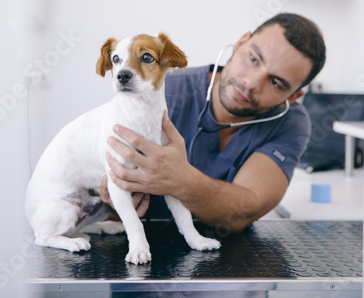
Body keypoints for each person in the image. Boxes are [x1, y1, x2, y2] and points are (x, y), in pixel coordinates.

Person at [99, 13, 326, 233]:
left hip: (231, 256)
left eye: (276, 82)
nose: (251, 83)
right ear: (240, 43)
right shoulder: (163, 91)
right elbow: (103, 171)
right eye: (254, 59)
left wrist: (181, 181)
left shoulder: (291, 124)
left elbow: (245, 210)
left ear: (293, 97)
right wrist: (107, 193)